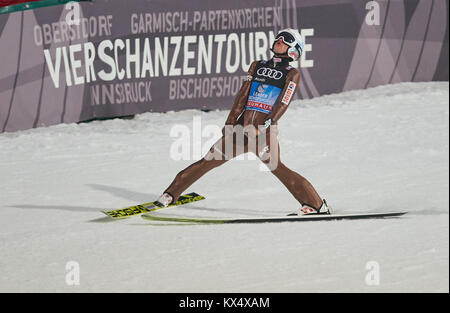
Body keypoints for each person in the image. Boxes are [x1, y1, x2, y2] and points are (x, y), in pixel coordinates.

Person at [155, 28, 330, 215]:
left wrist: (266, 125)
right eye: (278, 37)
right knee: (208, 160)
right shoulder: (257, 65)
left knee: (277, 168)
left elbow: (283, 103)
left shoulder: (291, 73)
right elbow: (242, 95)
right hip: (239, 130)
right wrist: (230, 121)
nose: (279, 40)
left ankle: (316, 205)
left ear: (294, 49)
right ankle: (170, 195)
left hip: (262, 133)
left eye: (286, 39)